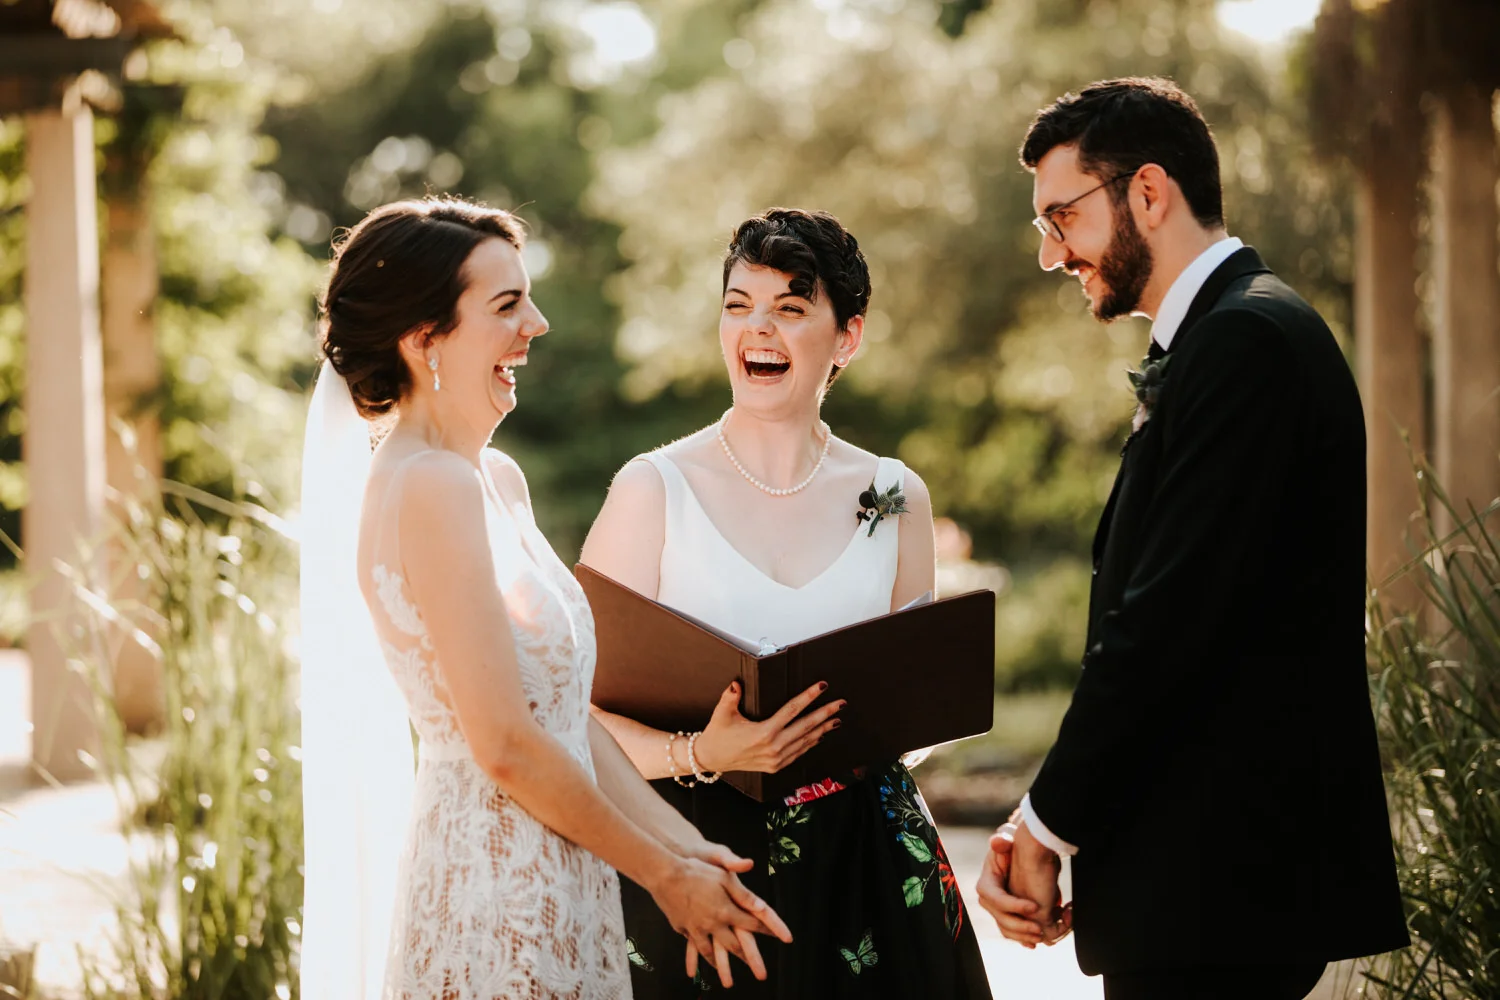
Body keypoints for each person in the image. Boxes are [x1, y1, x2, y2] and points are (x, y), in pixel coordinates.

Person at [973, 78, 1409, 1000]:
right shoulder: (1236, 332)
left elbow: (1169, 622)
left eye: (1062, 217)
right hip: (1213, 883)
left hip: (1219, 885)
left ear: (1147, 192)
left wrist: (1047, 823)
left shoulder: (1243, 342)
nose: (1052, 254)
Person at [298, 197, 793, 1000]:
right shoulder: (428, 488)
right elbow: (503, 743)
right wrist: (663, 879)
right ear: (425, 338)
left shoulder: (494, 480)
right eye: (505, 305)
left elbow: (562, 719)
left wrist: (687, 848)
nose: (538, 322)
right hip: (495, 890)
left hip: (564, 870)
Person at [580, 208, 991, 998]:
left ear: (848, 338)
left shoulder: (895, 495)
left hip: (869, 869)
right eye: (738, 305)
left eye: (790, 309)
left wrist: (869, 737)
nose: (756, 329)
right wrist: (704, 753)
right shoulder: (651, 490)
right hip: (701, 869)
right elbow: (573, 713)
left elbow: (917, 707)